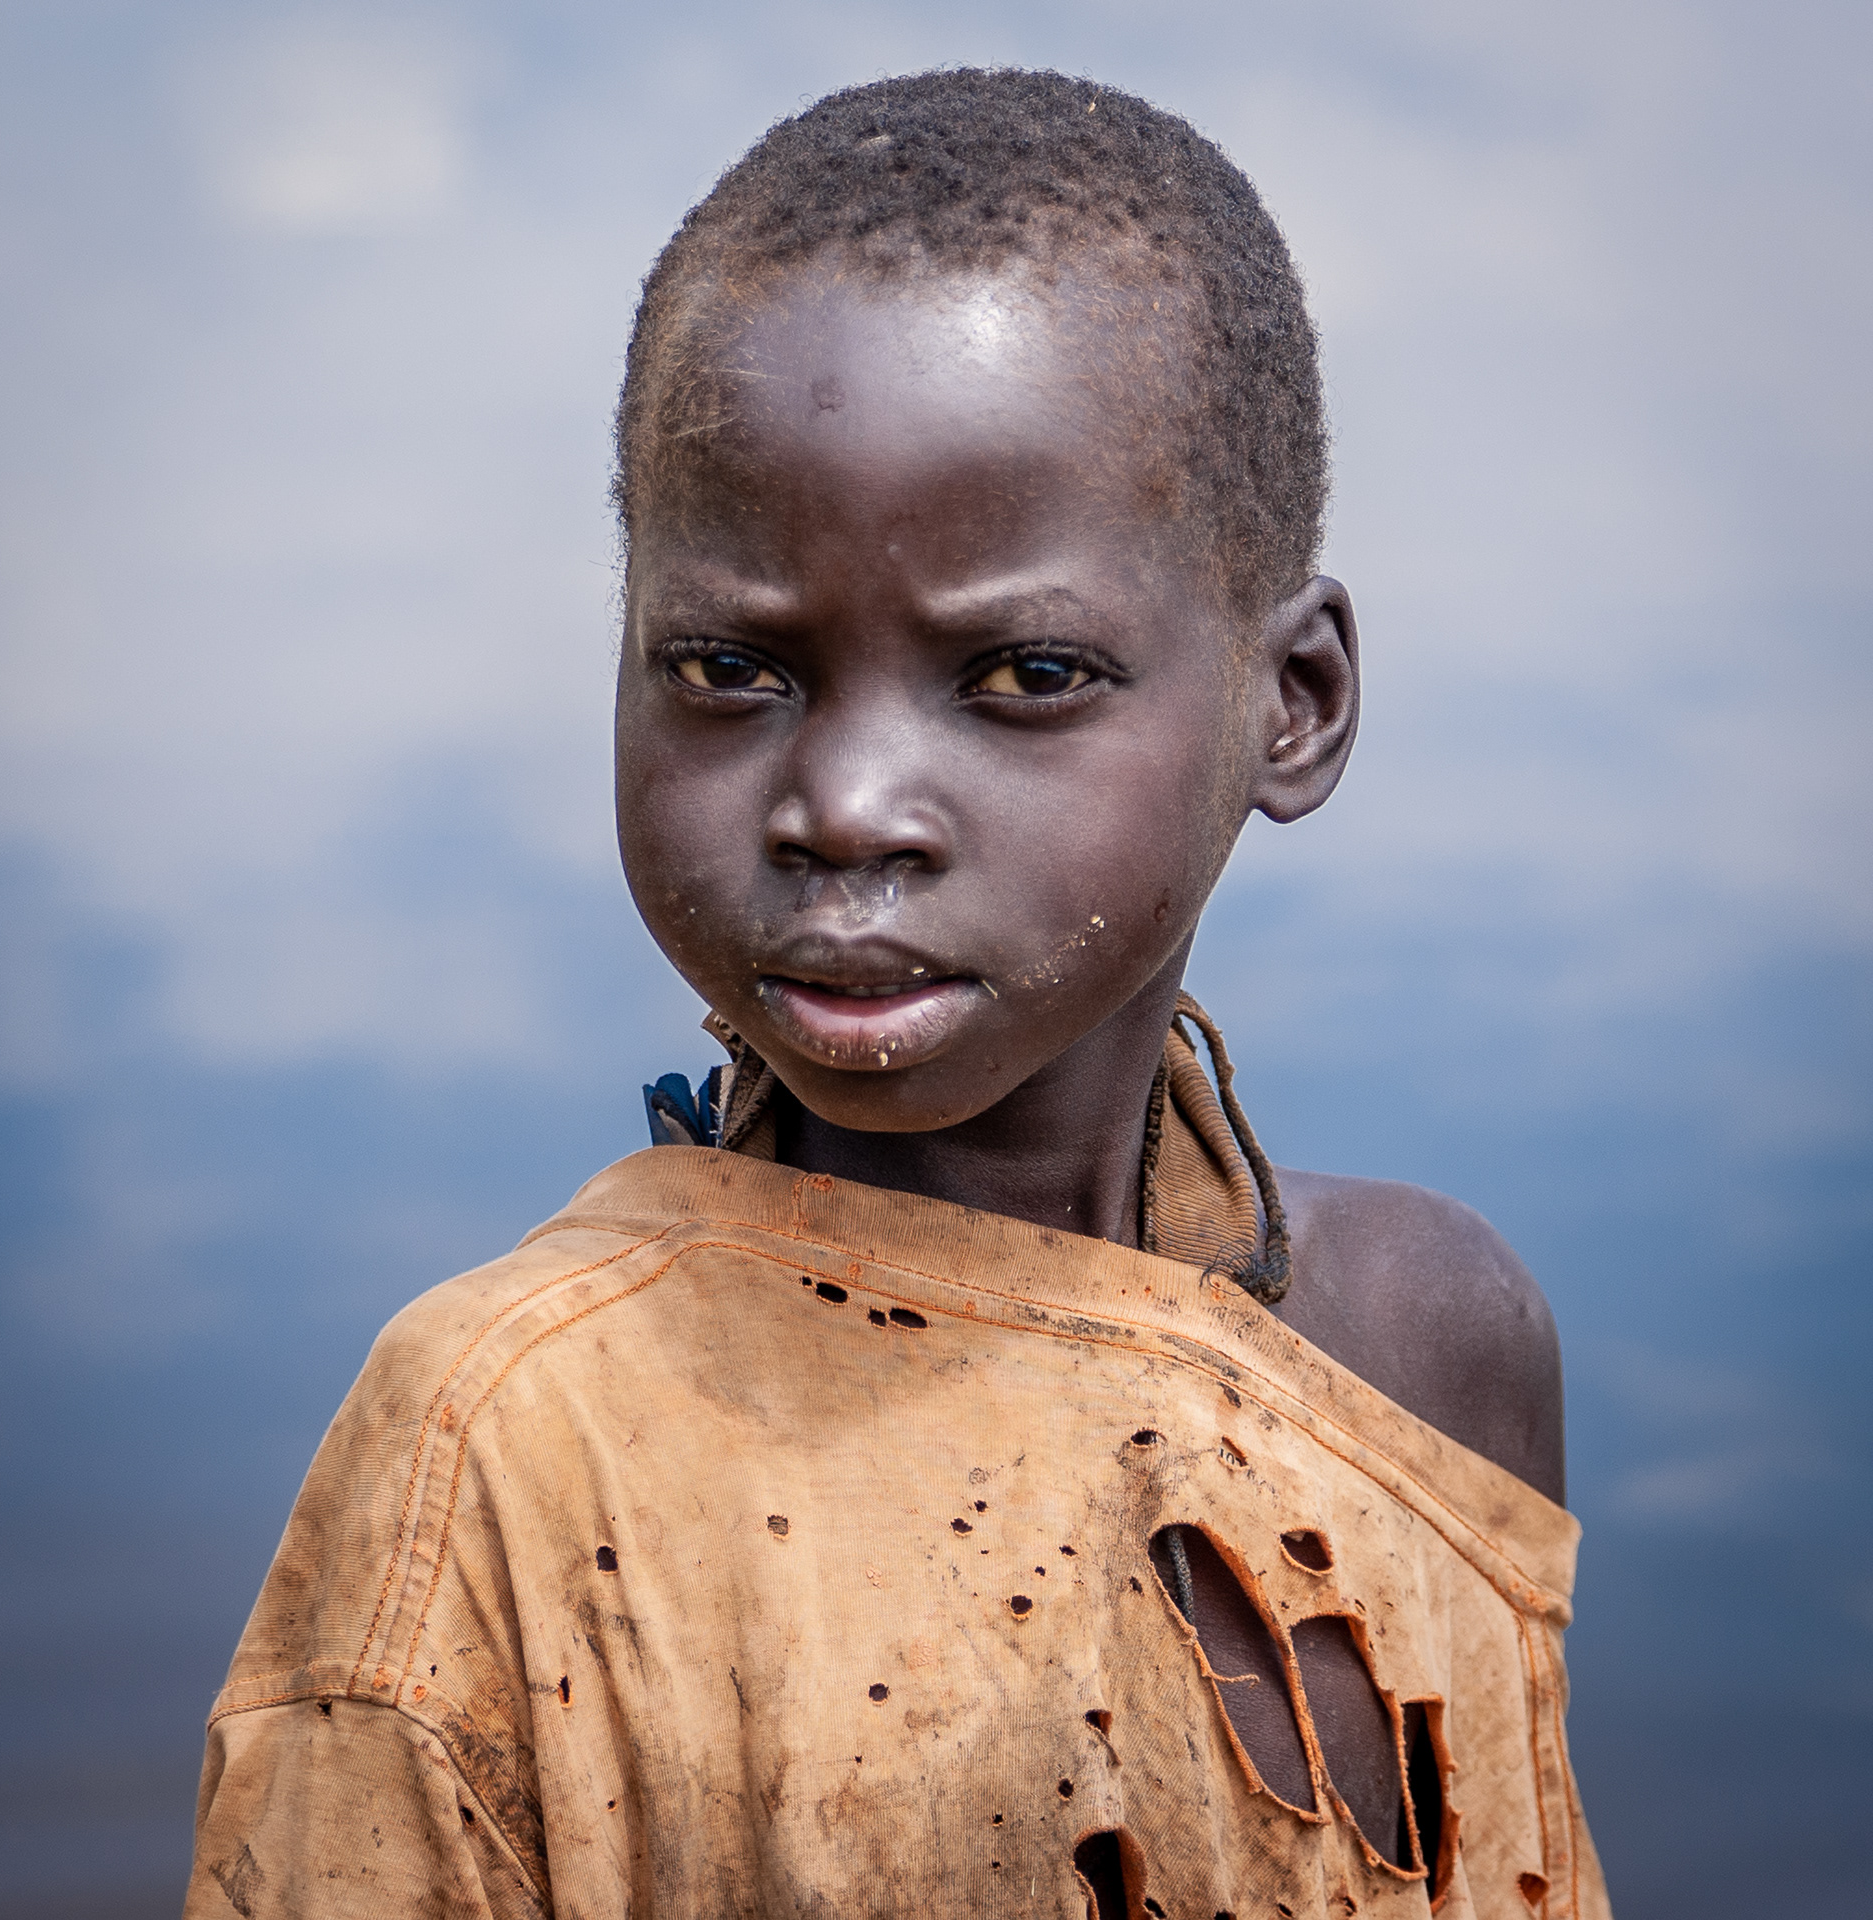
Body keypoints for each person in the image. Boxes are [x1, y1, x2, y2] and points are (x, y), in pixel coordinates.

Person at [185, 69, 1608, 1920]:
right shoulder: (511, 1442)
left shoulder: (1428, 1350)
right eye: (729, 666)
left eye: (1021, 671)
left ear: (1298, 701)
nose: (842, 805)